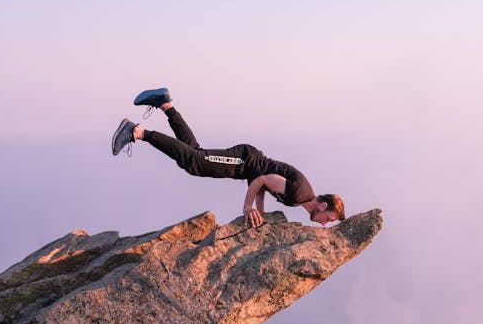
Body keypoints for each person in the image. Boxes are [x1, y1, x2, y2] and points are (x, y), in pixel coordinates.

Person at [111, 89, 345, 228]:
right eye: (329, 218)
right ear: (323, 206)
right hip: (244, 161)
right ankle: (138, 132)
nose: (325, 223)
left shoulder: (299, 198)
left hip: (247, 164)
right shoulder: (301, 194)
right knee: (194, 163)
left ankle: (165, 104)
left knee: (195, 153)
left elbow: (267, 183)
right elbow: (261, 180)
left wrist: (260, 215)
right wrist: (247, 208)